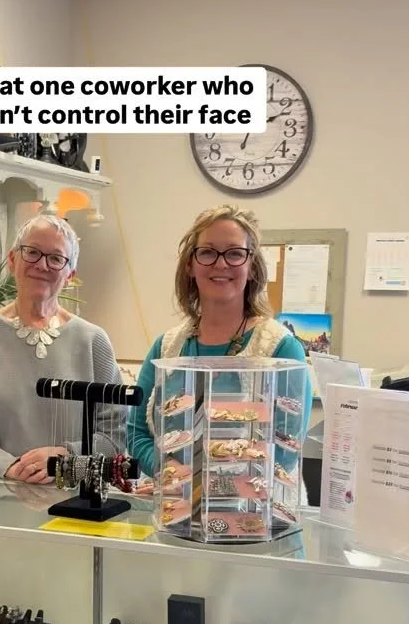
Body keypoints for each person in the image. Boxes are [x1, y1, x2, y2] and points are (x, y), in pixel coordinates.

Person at [0, 214, 124, 483]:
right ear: (13, 260)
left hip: (72, 501)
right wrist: (10, 467)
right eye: (32, 252)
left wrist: (65, 460)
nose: (42, 265)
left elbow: (115, 437)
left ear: (70, 275)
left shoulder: (93, 341)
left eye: (56, 258)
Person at [128, 204, 312, 479]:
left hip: (255, 501)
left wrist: (212, 486)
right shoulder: (165, 347)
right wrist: (172, 472)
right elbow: (136, 432)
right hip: (176, 499)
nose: (221, 263)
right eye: (208, 252)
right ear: (190, 265)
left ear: (252, 267)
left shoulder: (281, 349)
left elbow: (286, 451)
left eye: (235, 253)